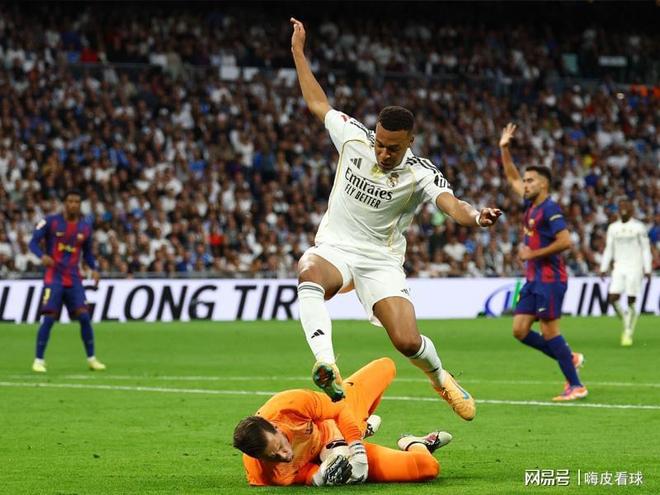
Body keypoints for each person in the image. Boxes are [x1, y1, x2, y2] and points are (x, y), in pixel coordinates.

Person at [289, 17, 502, 421]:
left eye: (394, 148)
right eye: (381, 144)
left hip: (381, 260)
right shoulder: (354, 138)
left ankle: (441, 379)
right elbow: (318, 104)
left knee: (406, 341)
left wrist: (477, 218)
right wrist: (298, 52)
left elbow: (451, 204)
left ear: (410, 143)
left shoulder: (420, 172)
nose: (384, 153)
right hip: (336, 247)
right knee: (308, 270)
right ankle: (327, 365)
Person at [233, 357, 452, 486]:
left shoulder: (290, 404)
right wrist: (323, 476)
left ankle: (360, 429)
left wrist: (358, 452)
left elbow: (338, 409)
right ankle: (414, 443)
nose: (284, 455)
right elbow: (307, 475)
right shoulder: (264, 473)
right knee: (428, 468)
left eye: (281, 446)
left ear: (274, 426)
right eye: (274, 457)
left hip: (335, 423)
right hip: (330, 454)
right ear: (258, 458)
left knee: (386, 366)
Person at [499, 123, 586, 401]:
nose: (524, 185)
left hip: (550, 278)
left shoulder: (550, 209)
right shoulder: (531, 205)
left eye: (530, 181)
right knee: (519, 330)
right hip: (533, 279)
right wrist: (504, 148)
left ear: (543, 184)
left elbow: (566, 241)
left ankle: (576, 385)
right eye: (525, 181)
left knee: (550, 332)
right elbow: (511, 176)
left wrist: (531, 255)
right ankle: (568, 356)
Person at [28, 189, 106, 373]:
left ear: (80, 205)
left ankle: (92, 359)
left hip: (74, 279)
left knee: (84, 317)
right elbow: (33, 243)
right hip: (53, 277)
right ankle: (38, 360)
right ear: (65, 203)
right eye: (70, 201)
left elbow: (87, 254)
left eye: (77, 202)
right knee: (49, 318)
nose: (73, 205)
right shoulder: (50, 221)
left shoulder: (85, 228)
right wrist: (42, 256)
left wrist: (94, 269)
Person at [599, 198, 653, 346]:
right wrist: (603, 267)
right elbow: (609, 248)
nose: (623, 209)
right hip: (619, 267)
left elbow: (645, 249)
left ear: (631, 210)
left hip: (635, 267)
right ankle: (626, 320)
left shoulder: (638, 227)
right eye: (621, 206)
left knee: (631, 299)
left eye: (626, 206)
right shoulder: (613, 228)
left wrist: (647, 268)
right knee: (612, 298)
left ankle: (628, 331)